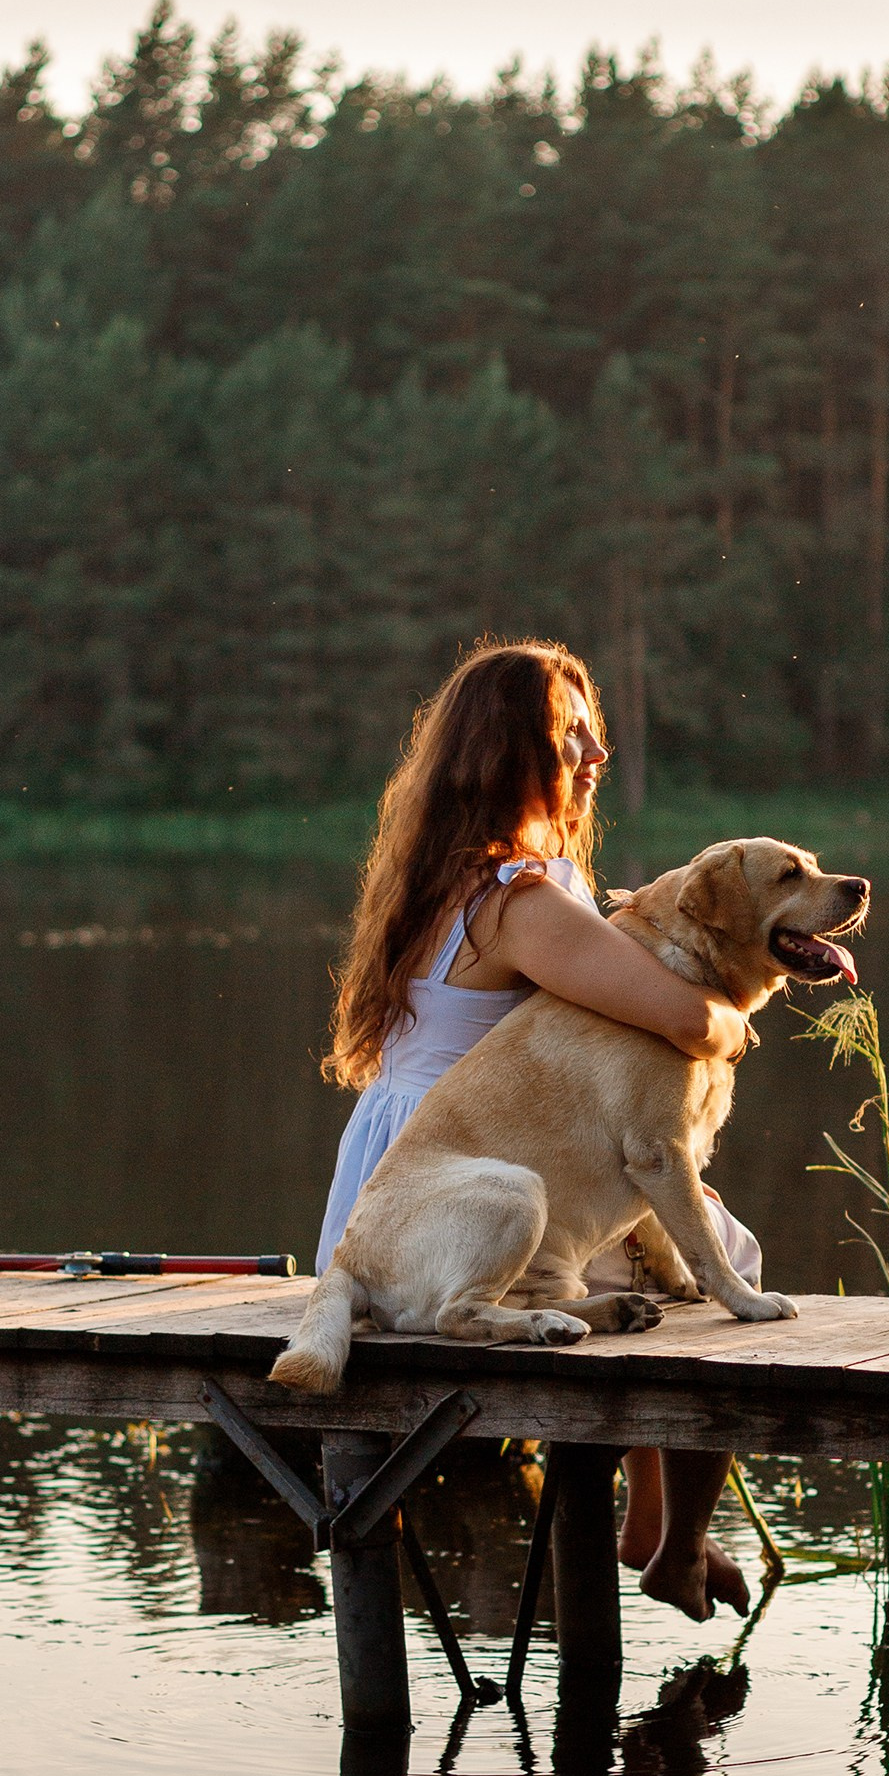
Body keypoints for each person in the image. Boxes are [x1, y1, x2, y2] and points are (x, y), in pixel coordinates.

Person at [319, 637, 757, 1620]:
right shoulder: (522, 897)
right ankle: (672, 1537)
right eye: (571, 734)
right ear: (507, 751)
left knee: (670, 1228)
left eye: (594, 729)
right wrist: (735, 1018)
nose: (594, 752)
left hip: (401, 1186)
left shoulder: (447, 873)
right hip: (454, 1200)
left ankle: (648, 1520)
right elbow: (683, 1019)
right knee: (721, 1248)